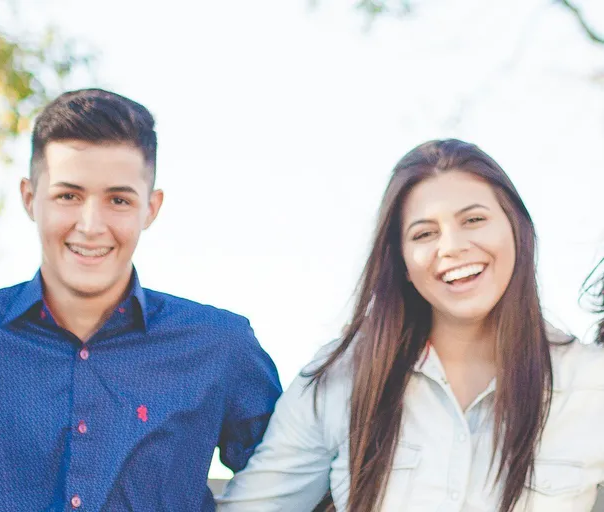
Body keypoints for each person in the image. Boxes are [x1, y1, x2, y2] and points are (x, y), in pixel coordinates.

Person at [0, 88, 282, 511]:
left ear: (150, 209)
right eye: (69, 196)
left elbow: (296, 479)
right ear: (30, 198)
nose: (91, 225)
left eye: (118, 200)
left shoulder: (220, 345)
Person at [217, 139, 604, 511]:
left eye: (474, 219)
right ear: (401, 260)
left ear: (517, 230)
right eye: (425, 233)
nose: (451, 246)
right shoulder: (341, 378)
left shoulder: (591, 383)